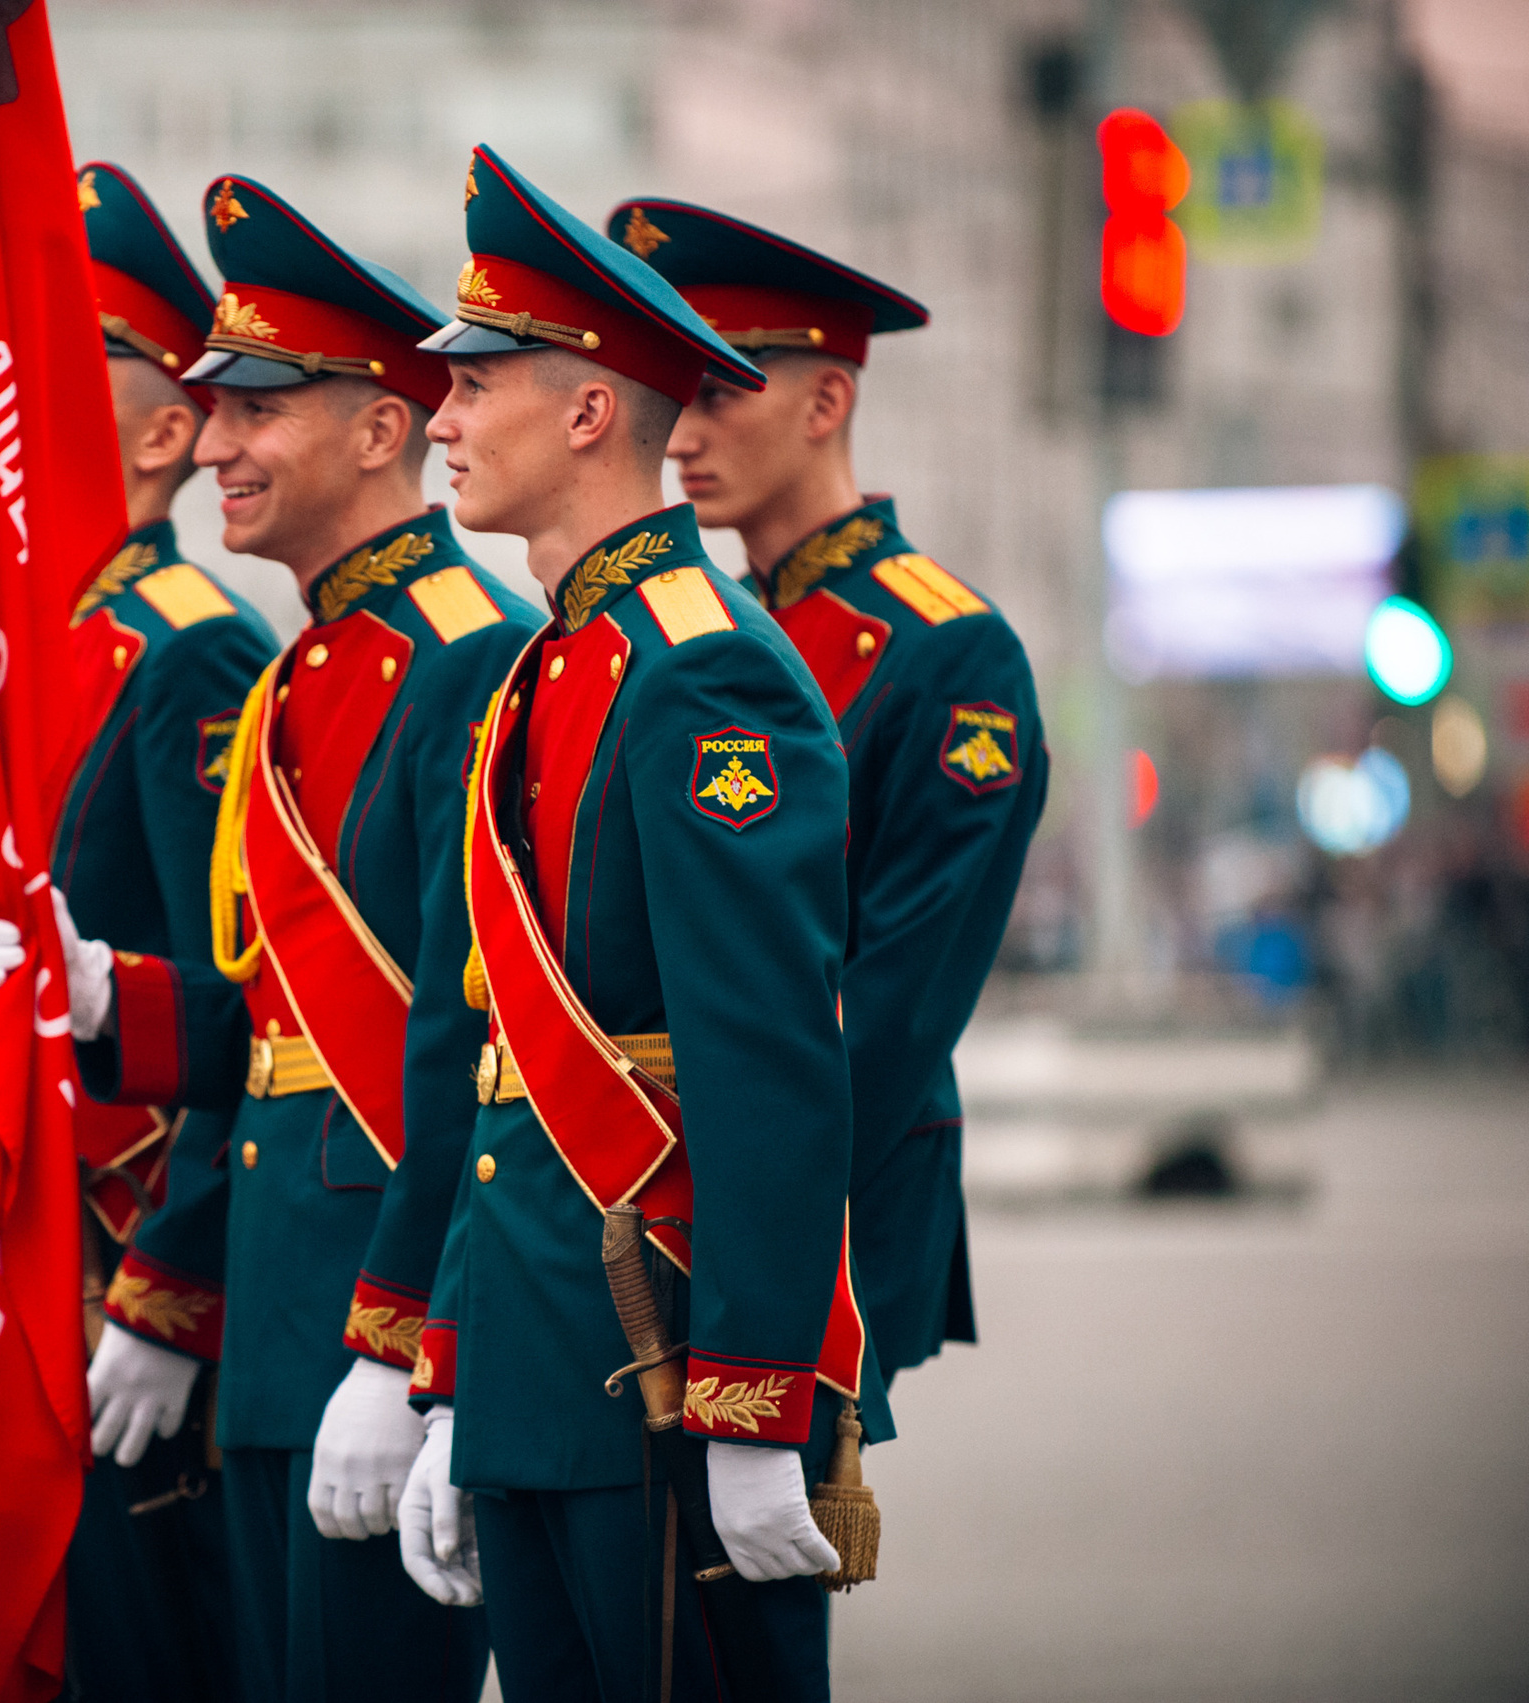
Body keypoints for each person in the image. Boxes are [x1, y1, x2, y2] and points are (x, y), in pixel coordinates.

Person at [397, 145, 890, 1701]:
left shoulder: (703, 669)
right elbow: (502, 1076)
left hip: (662, 1361)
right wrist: (450, 1380)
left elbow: (766, 1067)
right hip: (545, 1356)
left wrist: (758, 1409)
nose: (444, 420)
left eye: (475, 385)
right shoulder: (559, 659)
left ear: (592, 410)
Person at [62, 172, 536, 1702]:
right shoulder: (296, 678)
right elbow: (267, 1026)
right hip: (278, 1322)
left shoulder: (469, 662)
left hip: (374, 1321)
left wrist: (410, 1350)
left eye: (256, 408)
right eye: (207, 410)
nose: (213, 448)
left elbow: (472, 1044)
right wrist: (105, 1002)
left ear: (381, 428)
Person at [0, 162, 277, 1703]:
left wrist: (170, 1291)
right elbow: (1, 1041)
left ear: (168, 428)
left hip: (134, 1291)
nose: (10, 394)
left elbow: (244, 1011)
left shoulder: (192, 654)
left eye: (60, 365)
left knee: (156, 1658)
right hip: (32, 1267)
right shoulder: (31, 663)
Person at [611, 196, 1049, 1384]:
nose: (678, 432)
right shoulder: (704, 629)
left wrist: (735, 1212)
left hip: (819, 1194)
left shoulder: (945, 650)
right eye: (670, 390)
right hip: (660, 1179)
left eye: (717, 390)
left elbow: (899, 994)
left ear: (825, 400)